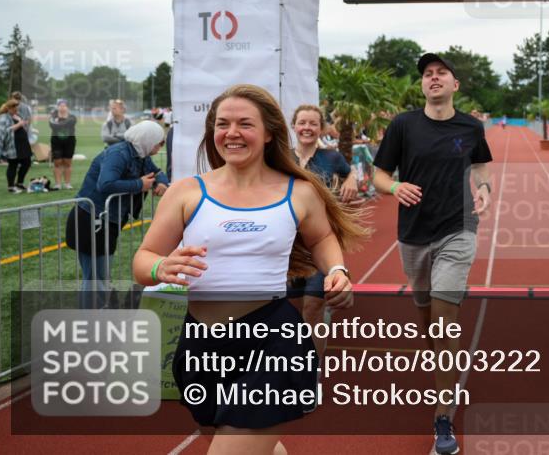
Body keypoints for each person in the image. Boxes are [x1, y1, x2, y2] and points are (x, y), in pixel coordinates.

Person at [132, 84, 368, 455]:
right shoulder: (186, 192)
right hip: (201, 344)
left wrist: (337, 270)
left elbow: (323, 238)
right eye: (222, 124)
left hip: (273, 341)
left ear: (269, 132)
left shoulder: (298, 192)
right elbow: (143, 260)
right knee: (242, 442)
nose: (232, 133)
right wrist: (161, 266)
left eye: (245, 124)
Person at [372, 53, 493, 455]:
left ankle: (443, 417)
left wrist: (484, 189)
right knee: (425, 315)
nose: (434, 77)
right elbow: (378, 175)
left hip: (458, 228)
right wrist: (394, 187)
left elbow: (482, 167)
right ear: (422, 85)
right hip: (413, 234)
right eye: (428, 74)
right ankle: (441, 364)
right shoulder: (403, 125)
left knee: (444, 323)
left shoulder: (470, 127)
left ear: (455, 85)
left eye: (442, 73)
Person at [67, 121, 169, 303]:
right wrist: (139, 184)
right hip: (92, 219)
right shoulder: (118, 153)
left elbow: (157, 172)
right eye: (160, 142)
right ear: (148, 140)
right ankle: (92, 317)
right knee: (95, 279)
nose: (161, 146)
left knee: (100, 277)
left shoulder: (140, 153)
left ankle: (98, 313)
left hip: (105, 220)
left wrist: (161, 182)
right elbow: (105, 184)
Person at [288, 103, 358, 361]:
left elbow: (350, 173)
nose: (307, 128)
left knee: (312, 308)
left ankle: (312, 371)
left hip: (318, 243)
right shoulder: (282, 157)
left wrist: (350, 180)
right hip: (288, 246)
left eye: (313, 123)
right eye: (302, 123)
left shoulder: (332, 157)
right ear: (294, 126)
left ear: (321, 128)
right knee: (291, 311)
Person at [0, 99, 32, 193]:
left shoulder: (16, 116)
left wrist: (21, 122)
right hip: (13, 145)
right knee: (13, 164)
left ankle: (20, 183)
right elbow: (5, 132)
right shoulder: (3, 118)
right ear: (9, 108)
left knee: (27, 162)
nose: (16, 110)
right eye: (14, 108)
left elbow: (23, 126)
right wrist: (19, 124)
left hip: (23, 143)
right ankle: (11, 186)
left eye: (17, 108)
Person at [49, 99, 77, 189]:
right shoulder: (53, 117)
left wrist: (58, 123)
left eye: (64, 106)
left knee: (67, 163)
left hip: (69, 141)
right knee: (57, 162)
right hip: (56, 141)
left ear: (67, 107)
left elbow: (67, 123)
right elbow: (52, 125)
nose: (62, 108)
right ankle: (58, 184)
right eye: (60, 106)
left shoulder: (72, 117)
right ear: (57, 107)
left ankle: (67, 183)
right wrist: (61, 123)